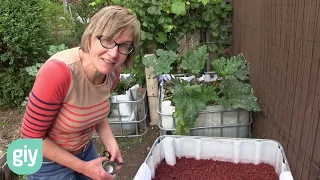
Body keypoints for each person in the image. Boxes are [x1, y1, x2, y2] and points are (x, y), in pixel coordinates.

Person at [20, 5, 141, 180]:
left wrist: (111, 143)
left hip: (84, 150)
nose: (114, 53)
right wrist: (85, 168)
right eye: (107, 40)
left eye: (124, 46)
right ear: (90, 36)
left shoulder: (112, 72)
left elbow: (96, 111)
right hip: (47, 162)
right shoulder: (58, 73)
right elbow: (30, 138)